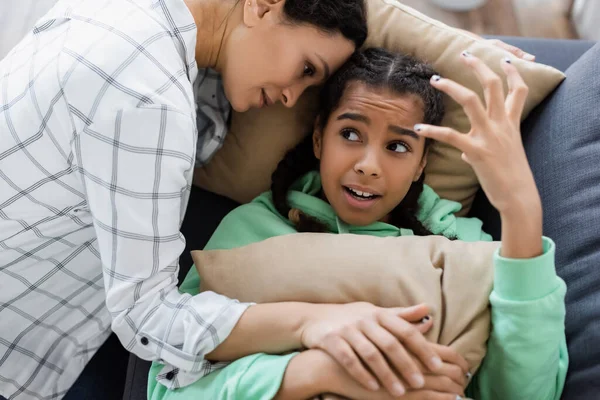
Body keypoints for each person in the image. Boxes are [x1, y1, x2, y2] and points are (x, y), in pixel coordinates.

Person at [0, 0, 538, 398]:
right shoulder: (150, 102)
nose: (289, 99)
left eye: (398, 146)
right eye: (306, 70)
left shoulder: (131, 24)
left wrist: (479, 59)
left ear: (422, 162)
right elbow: (148, 321)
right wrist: (315, 338)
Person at [148, 48, 568, 400]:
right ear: (318, 139)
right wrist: (318, 371)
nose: (368, 166)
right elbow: (170, 387)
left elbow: (526, 393)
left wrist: (520, 213)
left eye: (398, 146)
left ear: (422, 163)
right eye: (350, 134)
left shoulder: (464, 246)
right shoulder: (251, 232)